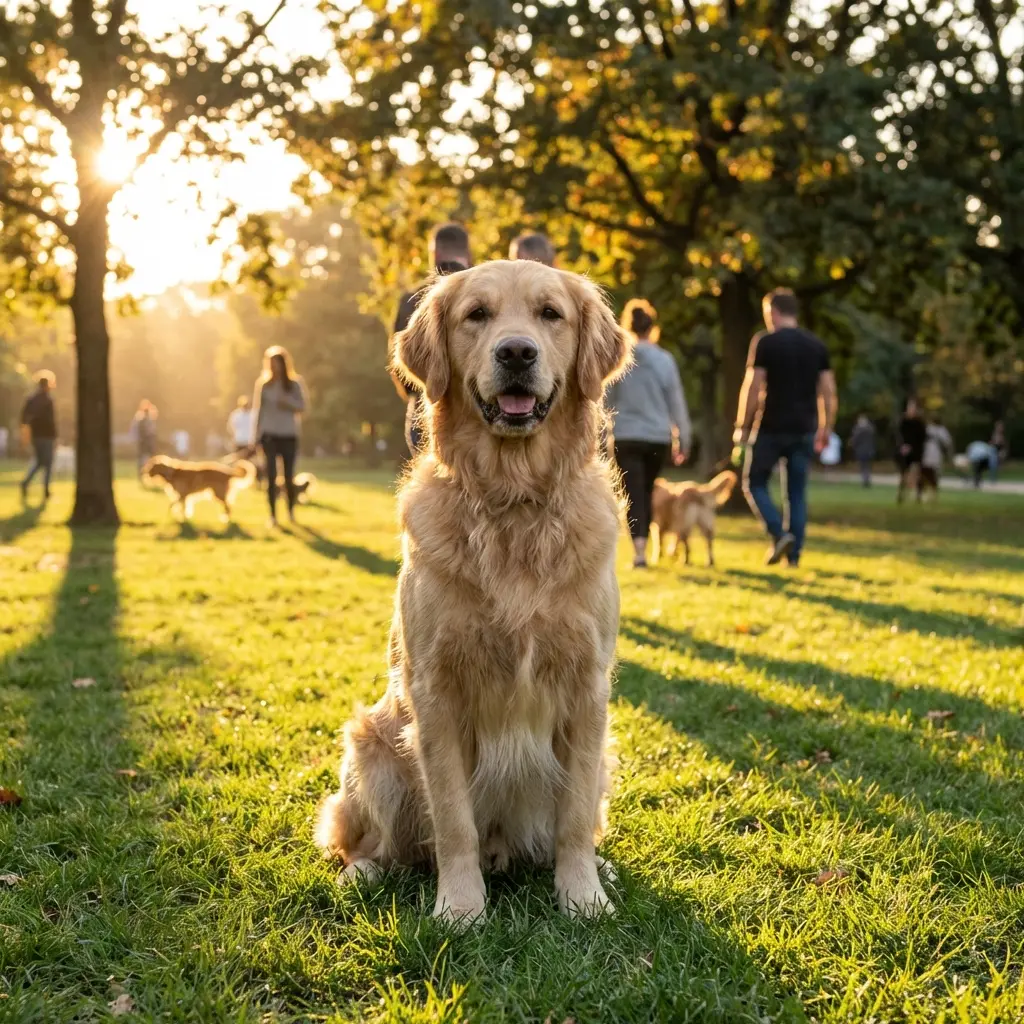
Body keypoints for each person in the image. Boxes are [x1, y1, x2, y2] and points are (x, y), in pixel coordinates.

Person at [734, 288, 836, 567]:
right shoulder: (816, 346)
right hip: (804, 429)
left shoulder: (766, 342)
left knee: (754, 483)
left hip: (770, 427)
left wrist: (742, 426)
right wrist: (826, 428)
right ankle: (793, 556)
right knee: (796, 494)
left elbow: (753, 386)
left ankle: (779, 534)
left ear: (773, 312)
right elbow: (828, 391)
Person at [605, 298, 691, 569]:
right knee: (646, 491)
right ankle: (644, 547)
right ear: (652, 327)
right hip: (657, 437)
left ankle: (640, 551)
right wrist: (684, 438)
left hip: (627, 435)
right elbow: (676, 402)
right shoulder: (665, 360)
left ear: (626, 325)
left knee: (633, 494)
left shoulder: (619, 358)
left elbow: (606, 400)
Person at [392, 223, 472, 455]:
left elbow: (400, 361)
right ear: (467, 254)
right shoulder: (490, 293)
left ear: (434, 254)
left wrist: (418, 392)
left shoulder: (411, 301)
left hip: (426, 409)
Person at [251, 345, 308, 527]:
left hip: (288, 435)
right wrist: (256, 435)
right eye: (272, 363)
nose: (275, 367)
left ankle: (290, 512)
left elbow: (303, 407)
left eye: (278, 363)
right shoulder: (264, 385)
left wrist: (287, 402)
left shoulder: (294, 384)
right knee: (271, 476)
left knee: (289, 476)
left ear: (284, 364)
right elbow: (258, 411)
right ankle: (273, 516)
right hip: (269, 436)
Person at [19, 370, 58, 503]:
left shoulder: (31, 399)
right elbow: (51, 420)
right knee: (47, 463)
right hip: (47, 435)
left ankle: (26, 483)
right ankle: (45, 490)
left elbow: (23, 418)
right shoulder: (48, 400)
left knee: (40, 461)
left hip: (36, 435)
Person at [896, 397, 926, 503]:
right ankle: (901, 494)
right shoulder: (903, 421)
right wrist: (903, 446)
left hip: (916, 451)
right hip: (905, 451)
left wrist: (913, 447)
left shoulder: (919, 423)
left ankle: (918, 495)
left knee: (917, 473)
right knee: (904, 473)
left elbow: (922, 437)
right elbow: (899, 436)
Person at [921, 414, 953, 496]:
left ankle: (933, 491)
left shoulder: (941, 430)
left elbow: (947, 443)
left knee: (933, 474)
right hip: (927, 454)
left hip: (935, 455)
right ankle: (925, 490)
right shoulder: (928, 429)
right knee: (926, 473)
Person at [132, 399, 159, 477]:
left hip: (147, 443)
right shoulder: (142, 419)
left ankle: (148, 475)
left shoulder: (148, 419)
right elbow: (145, 432)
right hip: (145, 443)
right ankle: (143, 475)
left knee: (147, 459)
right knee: (144, 459)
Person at [848, 413, 876, 487]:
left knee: (863, 466)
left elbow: (854, 440)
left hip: (861, 450)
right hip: (869, 450)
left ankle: (865, 480)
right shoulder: (870, 429)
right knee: (867, 466)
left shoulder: (858, 430)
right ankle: (866, 479)